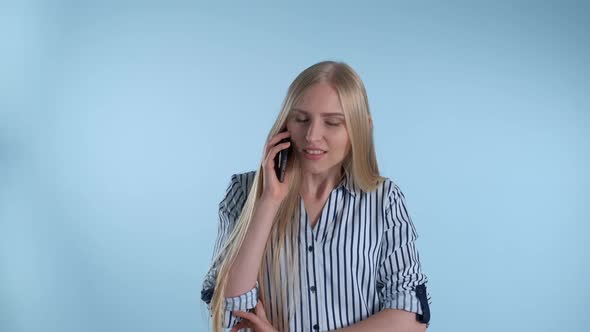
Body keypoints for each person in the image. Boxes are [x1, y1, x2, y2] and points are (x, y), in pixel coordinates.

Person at [201, 61, 431, 332]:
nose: (312, 135)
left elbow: (412, 315)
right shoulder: (243, 191)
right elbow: (228, 318)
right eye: (301, 119)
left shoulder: (384, 200)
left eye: (332, 123)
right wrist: (268, 201)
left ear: (361, 128)